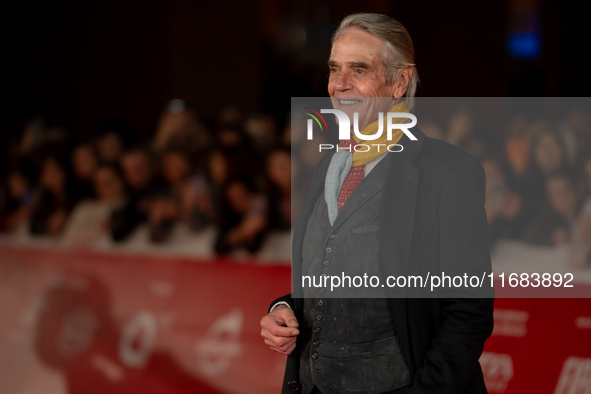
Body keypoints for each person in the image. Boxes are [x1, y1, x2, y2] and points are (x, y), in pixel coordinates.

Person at [260, 13, 494, 394]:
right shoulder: (327, 165)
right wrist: (284, 310)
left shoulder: (447, 171)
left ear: (399, 81)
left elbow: (468, 311)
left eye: (359, 69)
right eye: (334, 68)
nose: (340, 84)